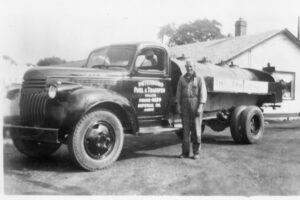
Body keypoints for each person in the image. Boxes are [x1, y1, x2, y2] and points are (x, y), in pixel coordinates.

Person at [176, 59, 207, 159]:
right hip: (184, 105)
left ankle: (196, 152)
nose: (189, 68)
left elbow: (203, 92)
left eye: (191, 67)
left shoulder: (199, 78)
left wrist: (200, 106)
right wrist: (178, 105)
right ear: (185, 67)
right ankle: (185, 153)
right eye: (187, 66)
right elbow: (179, 92)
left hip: (195, 105)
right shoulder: (182, 78)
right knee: (185, 131)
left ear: (194, 67)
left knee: (196, 131)